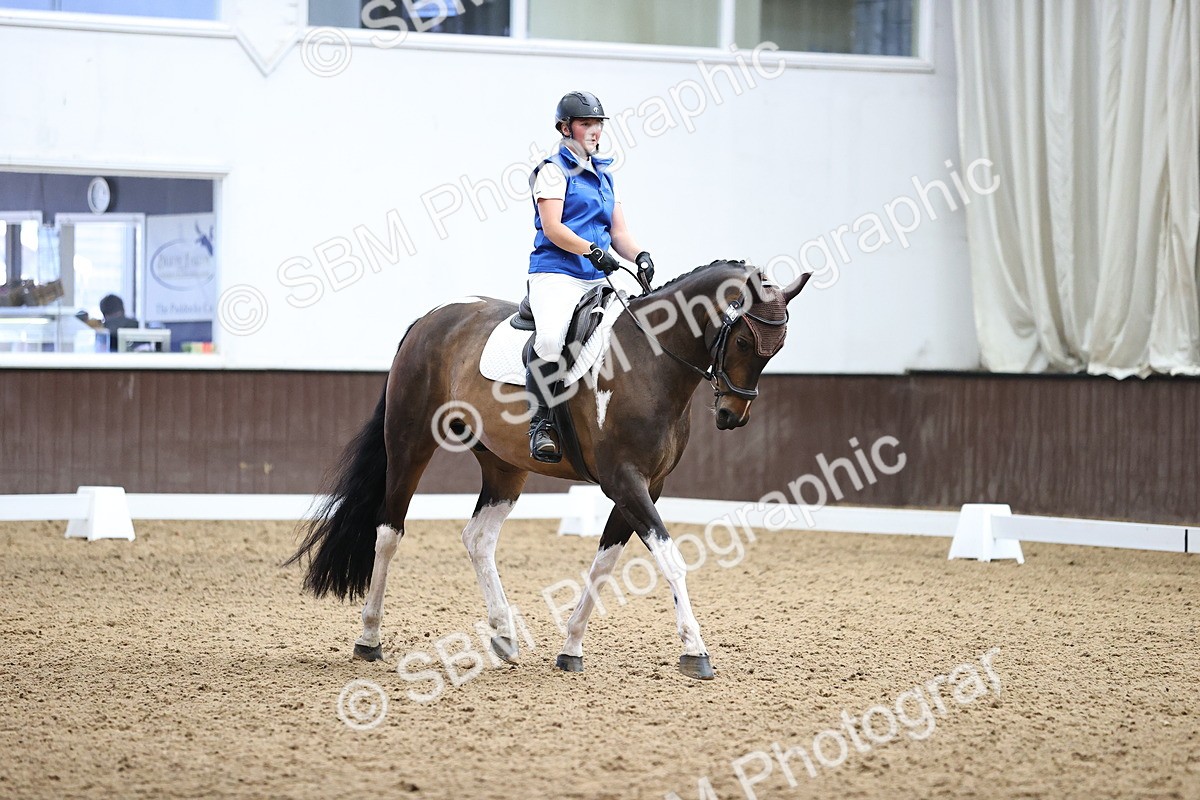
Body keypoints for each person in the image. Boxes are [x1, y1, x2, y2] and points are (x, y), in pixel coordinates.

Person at [526, 90, 656, 463]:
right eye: (586, 123)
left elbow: (619, 234)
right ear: (566, 127)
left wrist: (640, 254)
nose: (594, 130)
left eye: (598, 123)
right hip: (557, 273)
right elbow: (552, 228)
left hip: (597, 274)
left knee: (631, 333)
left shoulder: (604, 173)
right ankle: (541, 423)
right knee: (551, 340)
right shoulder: (552, 171)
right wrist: (591, 251)